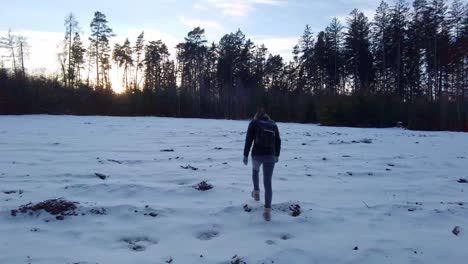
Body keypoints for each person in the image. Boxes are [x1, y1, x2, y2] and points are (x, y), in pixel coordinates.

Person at [243, 108, 281, 221]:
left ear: (256, 116)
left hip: (257, 155)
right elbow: (278, 141)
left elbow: (248, 139)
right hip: (270, 155)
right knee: (268, 182)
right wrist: (277, 155)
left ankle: (256, 193)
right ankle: (267, 211)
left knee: (255, 172)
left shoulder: (254, 122)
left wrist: (245, 154)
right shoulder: (273, 124)